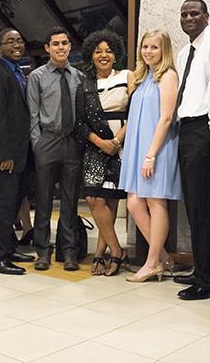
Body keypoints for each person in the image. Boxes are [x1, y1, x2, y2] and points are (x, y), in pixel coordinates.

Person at [172, 0, 210, 300]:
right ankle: (201, 270)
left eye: (194, 13)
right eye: (184, 14)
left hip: (206, 132)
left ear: (207, 16)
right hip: (186, 130)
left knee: (205, 210)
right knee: (194, 210)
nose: (188, 18)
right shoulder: (185, 52)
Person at [119, 29, 181, 282]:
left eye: (154, 47)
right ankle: (163, 257)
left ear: (164, 50)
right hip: (138, 148)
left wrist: (151, 155)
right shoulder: (143, 76)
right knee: (134, 202)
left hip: (157, 148)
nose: (148, 52)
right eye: (145, 47)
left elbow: (166, 118)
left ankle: (152, 261)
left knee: (156, 203)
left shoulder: (168, 76)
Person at [75, 30, 134, 276]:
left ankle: (100, 254)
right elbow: (80, 123)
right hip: (95, 148)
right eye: (98, 51)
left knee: (109, 201)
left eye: (108, 50)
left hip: (121, 146)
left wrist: (116, 141)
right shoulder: (85, 85)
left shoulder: (127, 76)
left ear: (116, 54)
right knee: (94, 199)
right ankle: (117, 250)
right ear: (91, 55)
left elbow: (135, 112)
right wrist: (101, 142)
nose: (103, 55)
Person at [27, 27, 84, 271]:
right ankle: (42, 251)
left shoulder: (78, 77)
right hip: (47, 141)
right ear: (47, 48)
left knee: (71, 201)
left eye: (65, 43)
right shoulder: (37, 76)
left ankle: (68, 250)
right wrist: (37, 143)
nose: (61, 47)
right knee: (43, 200)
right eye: (55, 44)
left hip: (71, 142)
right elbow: (32, 113)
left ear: (70, 47)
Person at [0, 28, 36, 275]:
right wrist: (4, 155)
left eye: (19, 40)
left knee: (13, 204)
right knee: (1, 207)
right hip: (5, 156)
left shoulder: (18, 73)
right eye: (10, 41)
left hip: (20, 154)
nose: (16, 44)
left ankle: (9, 247)